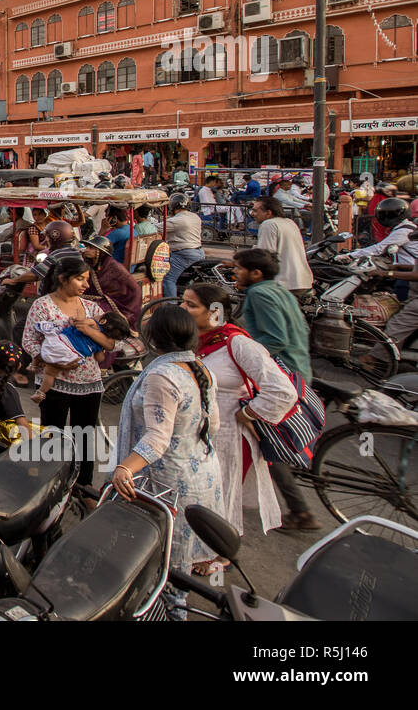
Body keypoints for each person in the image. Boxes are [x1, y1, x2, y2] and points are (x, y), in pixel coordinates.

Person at [111, 303, 224, 613]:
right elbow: (212, 424)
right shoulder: (201, 368)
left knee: (165, 565)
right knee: (175, 561)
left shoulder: (162, 375)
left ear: (155, 339)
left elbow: (157, 438)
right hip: (200, 471)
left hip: (169, 480)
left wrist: (124, 468)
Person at [183, 284, 298, 556]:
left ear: (214, 312)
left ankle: (217, 555)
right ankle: (193, 549)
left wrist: (245, 413)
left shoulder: (238, 343)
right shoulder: (196, 339)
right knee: (198, 493)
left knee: (221, 494)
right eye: (183, 302)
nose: (183, 309)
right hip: (198, 432)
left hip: (229, 438)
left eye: (191, 305)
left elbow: (282, 391)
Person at [230, 247, 320, 531]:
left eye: (238, 268)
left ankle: (300, 510)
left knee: (270, 443)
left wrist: (244, 357)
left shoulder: (259, 294)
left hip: (280, 376)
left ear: (255, 273)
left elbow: (275, 338)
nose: (234, 272)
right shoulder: (278, 290)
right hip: (299, 369)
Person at [22, 256, 107, 492]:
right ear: (63, 278)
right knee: (52, 436)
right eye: (80, 279)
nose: (85, 285)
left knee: (85, 437)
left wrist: (90, 330)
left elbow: (109, 343)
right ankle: (48, 487)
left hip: (89, 384)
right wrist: (54, 359)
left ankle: (84, 486)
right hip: (55, 383)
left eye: (87, 280)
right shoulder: (42, 306)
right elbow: (29, 340)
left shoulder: (91, 308)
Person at [31, 308, 131, 405]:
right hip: (73, 357)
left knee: (44, 343)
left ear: (103, 320)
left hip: (61, 343)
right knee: (51, 374)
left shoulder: (93, 323)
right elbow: (100, 358)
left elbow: (78, 323)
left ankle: (34, 365)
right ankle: (41, 392)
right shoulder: (100, 343)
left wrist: (72, 320)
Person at [251, 197, 313, 294]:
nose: (252, 214)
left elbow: (264, 255)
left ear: (268, 212)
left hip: (283, 282)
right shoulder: (289, 222)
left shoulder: (269, 224)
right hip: (302, 280)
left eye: (255, 211)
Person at [80, 234, 142, 324]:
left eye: (91, 248)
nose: (87, 250)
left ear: (100, 252)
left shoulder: (115, 268)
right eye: (87, 247)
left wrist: (128, 312)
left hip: (111, 304)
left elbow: (135, 290)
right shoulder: (91, 264)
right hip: (92, 300)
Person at [163, 193, 204, 298]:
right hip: (198, 252)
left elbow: (157, 228)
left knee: (168, 279)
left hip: (184, 254)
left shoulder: (176, 221)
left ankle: (170, 304)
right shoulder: (195, 216)